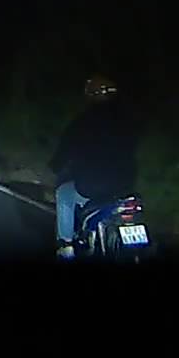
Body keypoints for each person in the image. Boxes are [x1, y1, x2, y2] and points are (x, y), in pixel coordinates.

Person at [49, 75, 141, 260]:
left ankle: (66, 246)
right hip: (125, 183)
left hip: (94, 184)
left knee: (64, 194)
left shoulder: (83, 122)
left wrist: (55, 165)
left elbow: (65, 150)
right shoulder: (128, 120)